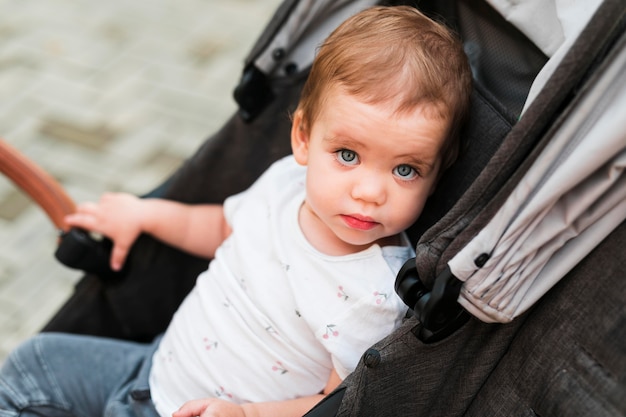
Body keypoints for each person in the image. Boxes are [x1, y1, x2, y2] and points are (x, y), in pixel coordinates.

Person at [0, 5, 471, 417]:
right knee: (32, 363)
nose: (369, 192)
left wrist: (248, 414)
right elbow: (221, 225)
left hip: (213, 411)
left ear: (437, 173)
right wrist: (145, 216)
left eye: (406, 169)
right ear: (303, 138)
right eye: (348, 155)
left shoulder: (374, 295)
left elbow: (334, 401)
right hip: (152, 366)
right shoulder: (286, 182)